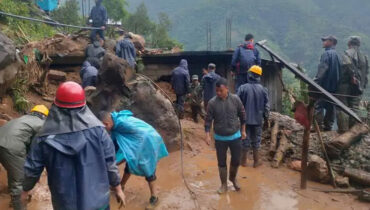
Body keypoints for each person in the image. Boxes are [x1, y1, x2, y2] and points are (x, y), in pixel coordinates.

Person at [21, 81, 125, 210]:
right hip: (97, 202)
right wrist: (118, 187)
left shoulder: (43, 137)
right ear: (83, 105)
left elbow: (32, 169)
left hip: (64, 203)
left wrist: (25, 191)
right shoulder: (99, 131)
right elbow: (110, 163)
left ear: (56, 105)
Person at [98, 110, 169, 209]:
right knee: (130, 163)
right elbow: (120, 143)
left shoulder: (121, 124)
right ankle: (121, 186)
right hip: (140, 139)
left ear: (107, 123)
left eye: (103, 127)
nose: (103, 130)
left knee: (148, 169)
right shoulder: (116, 121)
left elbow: (141, 137)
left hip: (147, 141)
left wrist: (119, 160)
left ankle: (154, 197)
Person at [0, 105, 48, 210]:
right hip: (12, 147)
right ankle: (18, 206)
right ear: (45, 116)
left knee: (13, 170)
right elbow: (35, 149)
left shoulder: (22, 119)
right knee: (19, 180)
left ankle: (12, 195)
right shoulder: (42, 124)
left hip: (4, 143)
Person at [205, 78, 246, 194]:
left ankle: (233, 178)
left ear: (227, 89)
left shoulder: (235, 99)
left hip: (235, 136)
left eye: (221, 90)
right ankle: (223, 184)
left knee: (236, 160)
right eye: (217, 91)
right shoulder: (212, 103)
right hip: (220, 138)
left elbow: (243, 115)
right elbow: (208, 120)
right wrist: (207, 135)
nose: (218, 93)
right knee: (221, 162)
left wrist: (243, 130)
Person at [237, 65, 270, 168]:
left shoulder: (243, 88)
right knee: (256, 141)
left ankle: (243, 162)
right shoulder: (263, 90)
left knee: (244, 140)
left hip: (245, 121)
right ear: (259, 76)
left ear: (250, 75)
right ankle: (256, 162)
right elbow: (267, 106)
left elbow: (237, 103)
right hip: (258, 120)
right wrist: (266, 118)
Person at [337, 36, 369, 133]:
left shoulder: (347, 54)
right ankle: (354, 131)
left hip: (346, 86)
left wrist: (352, 76)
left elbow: (347, 66)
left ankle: (343, 131)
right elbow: (366, 73)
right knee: (355, 108)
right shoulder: (364, 57)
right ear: (358, 44)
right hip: (359, 87)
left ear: (349, 43)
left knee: (343, 107)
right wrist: (362, 85)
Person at [313, 35, 341, 131]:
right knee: (330, 106)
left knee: (318, 105)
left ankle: (318, 127)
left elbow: (322, 70)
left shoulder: (326, 54)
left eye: (325, 40)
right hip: (334, 88)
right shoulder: (337, 55)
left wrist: (315, 83)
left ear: (331, 42)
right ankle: (328, 126)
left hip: (324, 86)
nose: (323, 42)